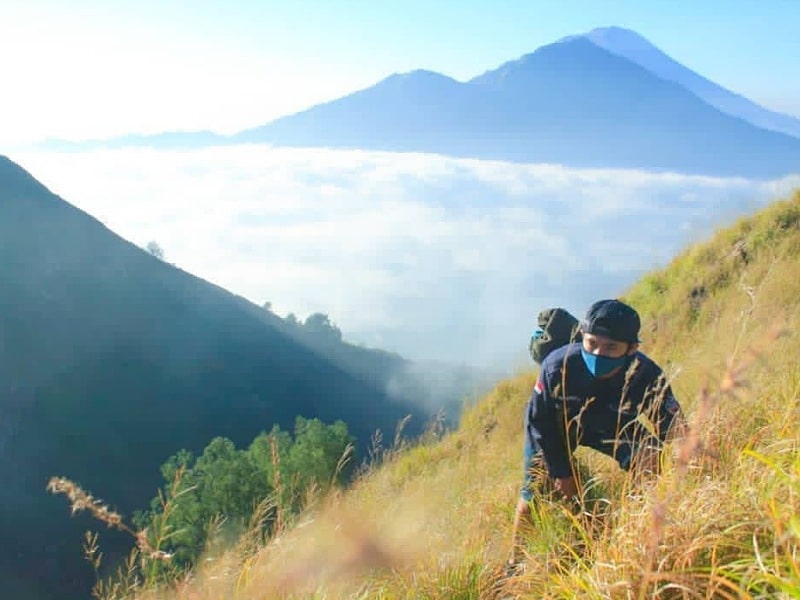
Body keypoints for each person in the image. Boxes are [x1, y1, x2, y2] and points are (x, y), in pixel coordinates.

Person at [509, 299, 684, 567]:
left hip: (611, 424)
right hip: (559, 427)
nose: (599, 353)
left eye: (611, 347)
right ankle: (515, 561)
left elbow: (673, 426)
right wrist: (561, 472)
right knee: (532, 491)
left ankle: (636, 528)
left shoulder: (645, 375)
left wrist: (693, 458)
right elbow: (539, 423)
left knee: (651, 457)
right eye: (592, 343)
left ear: (632, 349)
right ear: (582, 337)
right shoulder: (557, 367)